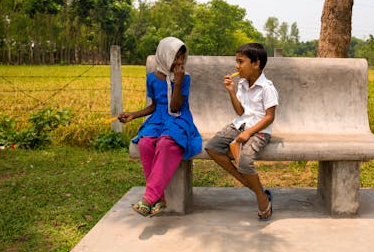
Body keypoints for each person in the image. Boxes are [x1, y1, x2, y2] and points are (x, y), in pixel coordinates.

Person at [119, 37, 202, 217]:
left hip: (178, 117)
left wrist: (178, 82)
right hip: (158, 118)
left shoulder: (184, 78)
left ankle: (149, 199)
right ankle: (159, 198)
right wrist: (133, 114)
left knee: (166, 143)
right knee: (145, 143)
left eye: (182, 57)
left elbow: (175, 107)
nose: (179, 62)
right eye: (175, 57)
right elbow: (154, 106)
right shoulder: (152, 78)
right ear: (164, 56)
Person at [205, 43, 279, 221]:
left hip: (259, 130)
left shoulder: (268, 88)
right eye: (236, 62)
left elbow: (269, 117)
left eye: (240, 61)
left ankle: (261, 198)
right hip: (240, 124)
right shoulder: (242, 84)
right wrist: (231, 92)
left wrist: (248, 133)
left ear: (256, 63)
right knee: (212, 147)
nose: (236, 66)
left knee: (245, 161)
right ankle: (253, 186)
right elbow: (240, 112)